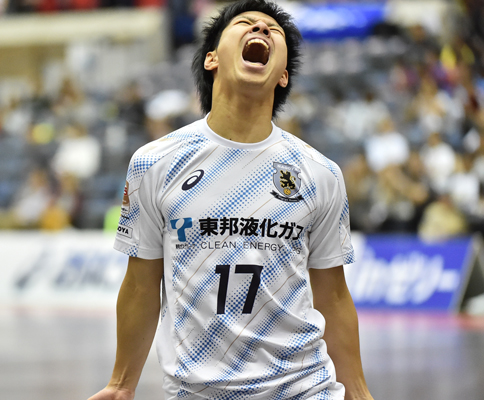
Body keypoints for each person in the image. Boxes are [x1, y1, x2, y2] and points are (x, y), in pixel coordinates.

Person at [89, 1, 373, 399]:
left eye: (273, 30)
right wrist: (121, 384)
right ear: (211, 58)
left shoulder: (319, 173)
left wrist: (359, 392)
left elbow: (334, 295)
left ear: (283, 75)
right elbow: (140, 286)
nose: (261, 29)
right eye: (245, 23)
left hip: (304, 390)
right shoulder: (154, 163)